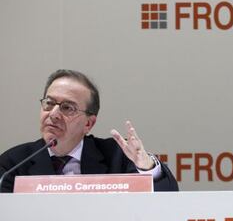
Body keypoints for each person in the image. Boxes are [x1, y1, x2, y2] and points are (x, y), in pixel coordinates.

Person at [0, 69, 178, 192]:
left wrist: (146, 168)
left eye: (67, 107)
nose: (53, 114)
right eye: (49, 103)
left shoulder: (117, 157)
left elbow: (167, 196)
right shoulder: (14, 163)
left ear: (88, 124)